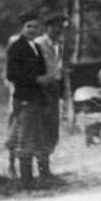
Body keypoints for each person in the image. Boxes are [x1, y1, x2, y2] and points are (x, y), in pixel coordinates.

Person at [5, 11, 50, 190]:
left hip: (36, 98)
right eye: (29, 26)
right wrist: (35, 79)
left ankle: (40, 177)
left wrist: (43, 80)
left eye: (35, 27)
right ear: (22, 28)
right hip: (24, 98)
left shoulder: (36, 47)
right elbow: (12, 75)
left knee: (36, 138)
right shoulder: (16, 47)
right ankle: (26, 181)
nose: (32, 30)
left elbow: (42, 71)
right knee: (25, 138)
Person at [34, 13, 66, 181]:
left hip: (54, 88)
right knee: (43, 128)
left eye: (61, 27)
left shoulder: (58, 44)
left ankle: (46, 169)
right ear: (47, 27)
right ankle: (43, 170)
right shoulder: (38, 43)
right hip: (42, 89)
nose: (58, 29)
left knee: (53, 129)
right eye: (55, 26)